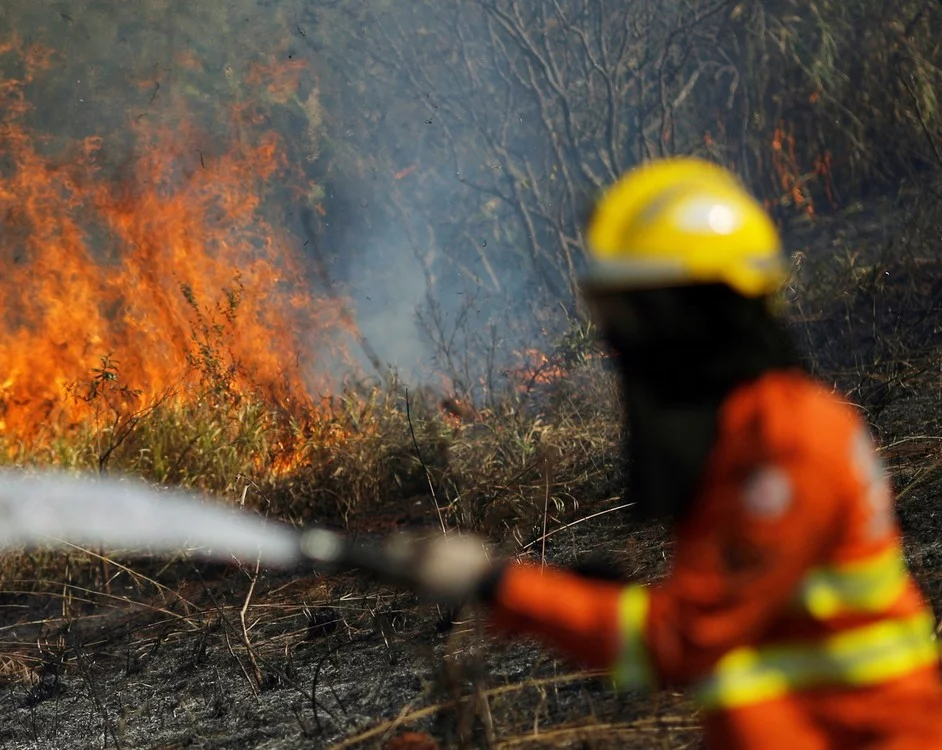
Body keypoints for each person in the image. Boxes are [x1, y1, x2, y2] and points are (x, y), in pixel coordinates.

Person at [401, 159, 942, 748]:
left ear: (695, 313)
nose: (619, 344)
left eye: (637, 315)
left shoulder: (788, 444)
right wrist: (572, 595)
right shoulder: (742, 432)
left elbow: (682, 639)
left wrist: (498, 583)